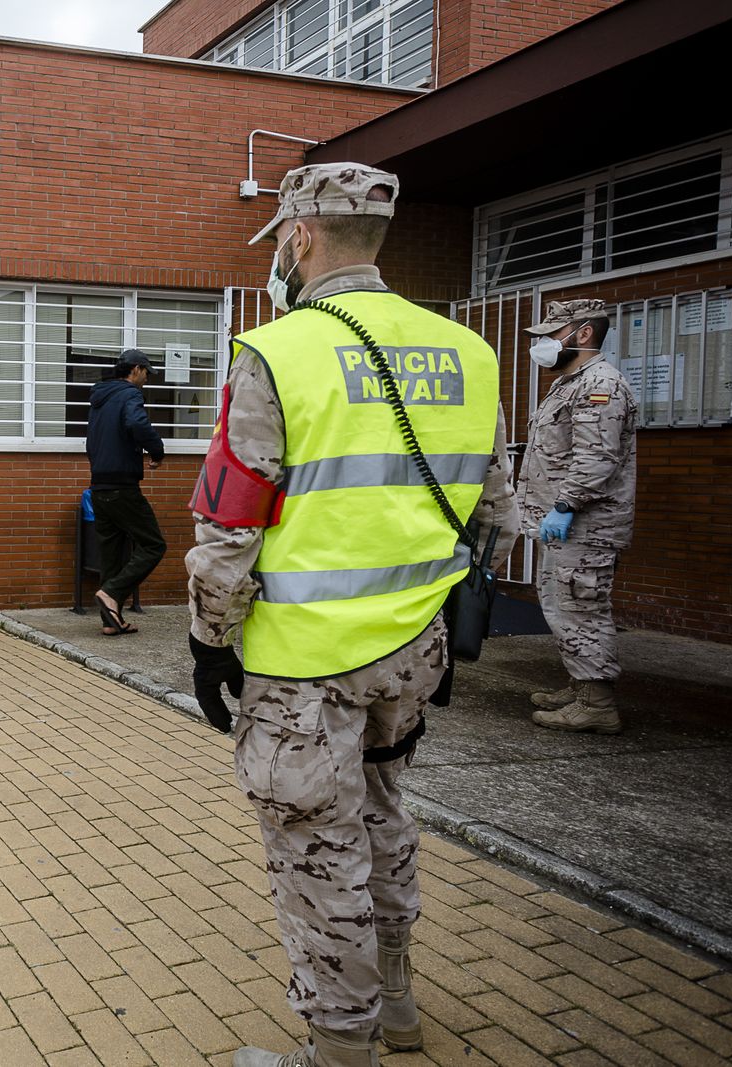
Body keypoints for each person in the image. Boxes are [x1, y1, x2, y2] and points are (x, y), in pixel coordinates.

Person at [185, 163, 519, 1067]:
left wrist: (208, 639)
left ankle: (341, 1050)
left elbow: (228, 525)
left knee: (315, 848)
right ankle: (399, 1004)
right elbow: (497, 513)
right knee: (383, 815)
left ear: (298, 237)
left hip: (303, 665)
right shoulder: (470, 352)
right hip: (413, 650)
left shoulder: (277, 352)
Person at [519, 299, 637, 734]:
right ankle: (581, 685)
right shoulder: (571, 384)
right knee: (562, 604)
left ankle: (597, 704)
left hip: (585, 524)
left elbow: (597, 459)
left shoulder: (600, 385)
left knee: (582, 608)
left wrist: (565, 506)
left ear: (582, 334)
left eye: (552, 335)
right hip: (564, 525)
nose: (544, 345)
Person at [85, 348, 167, 635]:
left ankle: (111, 620)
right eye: (146, 372)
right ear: (135, 369)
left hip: (99, 485)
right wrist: (157, 450)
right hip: (122, 485)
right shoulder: (129, 394)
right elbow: (136, 423)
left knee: (113, 553)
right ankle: (111, 592)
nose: (147, 379)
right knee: (154, 545)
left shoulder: (100, 397)